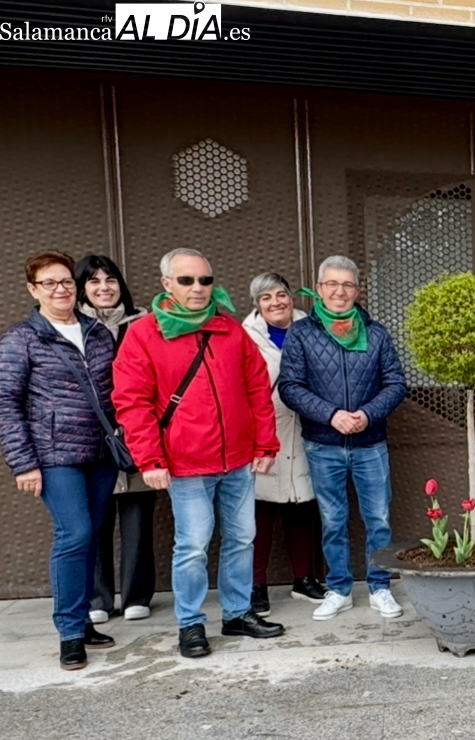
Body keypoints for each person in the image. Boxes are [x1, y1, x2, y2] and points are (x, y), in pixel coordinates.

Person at [113, 248, 285, 658]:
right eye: (187, 280)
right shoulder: (144, 334)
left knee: (242, 537)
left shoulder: (228, 328)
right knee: (192, 545)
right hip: (186, 462)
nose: (197, 288)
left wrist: (265, 443)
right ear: (167, 284)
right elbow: (132, 401)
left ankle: (238, 613)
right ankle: (190, 623)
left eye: (205, 280)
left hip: (239, 458)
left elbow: (257, 388)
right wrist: (150, 459)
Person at [0, 251, 120, 669]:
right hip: (53, 456)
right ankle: (70, 631)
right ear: (33, 289)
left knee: (91, 534)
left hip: (100, 454)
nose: (61, 289)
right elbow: (5, 402)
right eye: (49, 283)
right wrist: (23, 462)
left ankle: (84, 619)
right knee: (75, 533)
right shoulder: (22, 338)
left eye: (66, 281)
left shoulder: (98, 333)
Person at [279, 255, 409, 622]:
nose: (340, 291)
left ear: (357, 290)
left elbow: (396, 383)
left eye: (347, 285)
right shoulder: (302, 333)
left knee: (378, 518)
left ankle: (379, 586)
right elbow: (289, 387)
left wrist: (366, 414)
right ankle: (339, 589)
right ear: (319, 289)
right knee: (333, 520)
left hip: (371, 443)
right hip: (323, 443)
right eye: (332, 284)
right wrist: (331, 415)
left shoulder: (377, 333)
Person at [75, 253, 157, 623]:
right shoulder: (72, 327)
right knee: (95, 518)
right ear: (83, 289)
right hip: (90, 439)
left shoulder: (143, 323)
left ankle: (138, 594)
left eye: (109, 280)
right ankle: (97, 599)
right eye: (94, 282)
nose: (103, 288)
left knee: (138, 517)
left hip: (137, 434)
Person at [243, 272, 327, 615]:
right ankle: (256, 585)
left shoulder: (313, 328)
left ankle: (304, 578)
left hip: (307, 427)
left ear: (292, 296)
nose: (276, 302)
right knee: (258, 513)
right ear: (257, 305)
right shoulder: (244, 337)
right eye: (266, 298)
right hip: (262, 432)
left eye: (281, 294)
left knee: (301, 506)